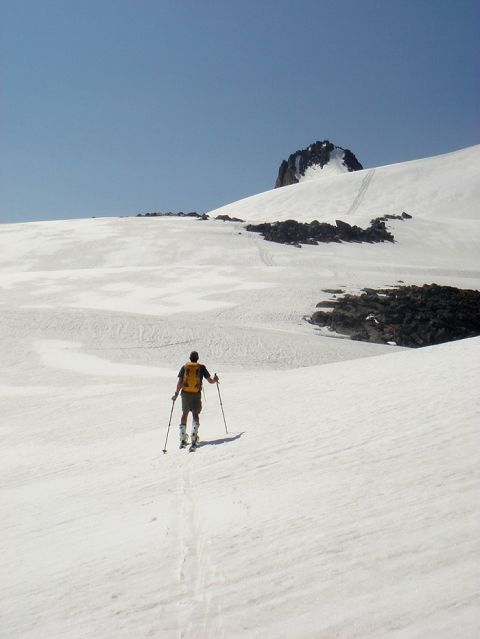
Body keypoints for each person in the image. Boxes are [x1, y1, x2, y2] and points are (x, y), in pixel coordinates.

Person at [171, 351, 218, 448]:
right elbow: (210, 381)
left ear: (190, 358)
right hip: (196, 394)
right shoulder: (201, 367)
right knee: (195, 414)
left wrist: (176, 394)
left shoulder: (185, 367)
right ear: (198, 358)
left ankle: (183, 437)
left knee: (185, 414)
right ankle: (194, 435)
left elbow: (180, 382)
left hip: (185, 394)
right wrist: (215, 379)